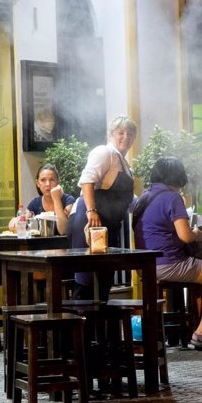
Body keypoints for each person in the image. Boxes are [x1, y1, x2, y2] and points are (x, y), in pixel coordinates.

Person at [133, 157, 202, 351]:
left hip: (146, 267)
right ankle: (201, 333)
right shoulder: (172, 197)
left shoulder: (144, 198)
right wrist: (199, 232)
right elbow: (186, 236)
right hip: (170, 264)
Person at [69, 115, 137, 301]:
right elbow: (86, 180)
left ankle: (102, 328)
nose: (126, 137)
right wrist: (91, 211)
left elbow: (128, 200)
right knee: (87, 280)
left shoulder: (124, 163)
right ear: (110, 135)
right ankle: (81, 327)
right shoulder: (104, 152)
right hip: (92, 221)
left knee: (104, 280)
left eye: (130, 133)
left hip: (110, 224)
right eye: (120, 132)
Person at [9, 163, 75, 235]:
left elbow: (63, 230)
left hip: (64, 245)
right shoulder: (35, 203)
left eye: (52, 180)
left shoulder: (68, 200)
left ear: (58, 181)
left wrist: (56, 199)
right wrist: (14, 222)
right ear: (37, 183)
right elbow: (20, 224)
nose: (47, 184)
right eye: (43, 180)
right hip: (41, 244)